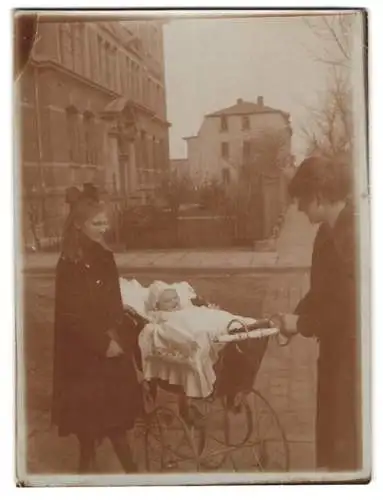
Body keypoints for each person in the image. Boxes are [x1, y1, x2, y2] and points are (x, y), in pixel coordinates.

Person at [278, 155, 361, 472]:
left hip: (352, 356)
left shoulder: (352, 236)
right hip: (333, 353)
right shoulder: (327, 233)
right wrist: (295, 316)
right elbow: (321, 292)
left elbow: (348, 308)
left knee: (346, 442)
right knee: (332, 436)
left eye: (301, 200)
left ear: (319, 196)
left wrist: (301, 323)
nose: (298, 208)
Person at [51, 184, 142, 474]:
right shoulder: (69, 264)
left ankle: (127, 474)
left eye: (105, 222)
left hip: (108, 352)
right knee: (92, 428)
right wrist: (102, 344)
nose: (104, 228)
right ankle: (126, 476)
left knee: (112, 424)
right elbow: (70, 317)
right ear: (78, 225)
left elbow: (114, 304)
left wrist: (120, 336)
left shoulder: (105, 257)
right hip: (82, 359)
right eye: (96, 223)